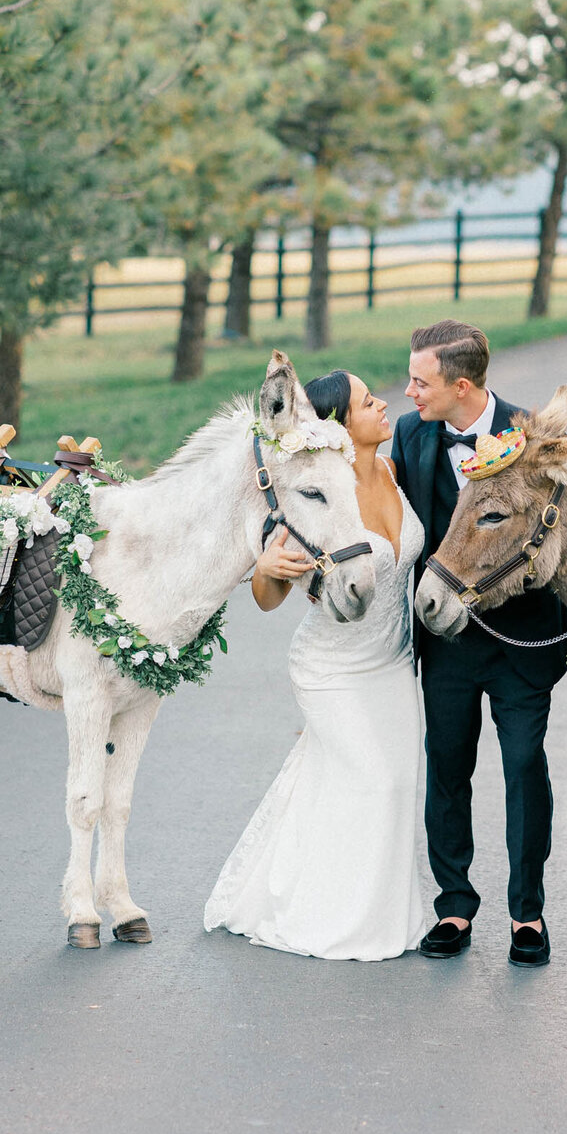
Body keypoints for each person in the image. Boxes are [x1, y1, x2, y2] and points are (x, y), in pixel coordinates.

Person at [204, 371, 427, 960]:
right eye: (367, 400)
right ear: (337, 425)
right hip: (332, 665)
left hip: (394, 660)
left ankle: (382, 912)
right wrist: (266, 571)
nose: (384, 403)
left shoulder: (392, 472)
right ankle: (330, 917)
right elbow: (267, 595)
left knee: (394, 784)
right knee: (377, 779)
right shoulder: (320, 496)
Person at [391, 320, 567, 968]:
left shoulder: (533, 436)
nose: (409, 391)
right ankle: (454, 903)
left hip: (522, 639)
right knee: (447, 766)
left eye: (420, 381)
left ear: (460, 385)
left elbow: (561, 533)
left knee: (524, 766)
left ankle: (528, 912)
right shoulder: (411, 435)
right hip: (447, 640)